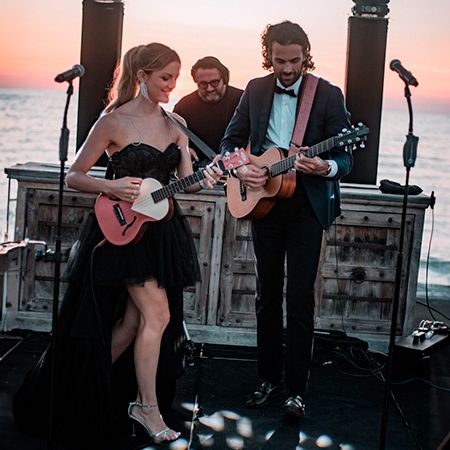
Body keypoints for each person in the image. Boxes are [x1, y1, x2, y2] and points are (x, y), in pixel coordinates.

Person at [13, 42, 221, 449]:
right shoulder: (113, 121)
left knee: (131, 323)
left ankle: (76, 391)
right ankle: (146, 407)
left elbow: (187, 183)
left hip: (160, 233)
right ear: (142, 76)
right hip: (119, 232)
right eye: (165, 78)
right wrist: (111, 185)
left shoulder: (177, 122)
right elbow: (75, 175)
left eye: (175, 79)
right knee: (158, 315)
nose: (172, 86)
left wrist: (204, 170)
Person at [220, 21, 353, 418]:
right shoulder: (255, 90)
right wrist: (242, 169)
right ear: (269, 56)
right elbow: (229, 144)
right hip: (264, 203)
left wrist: (324, 166)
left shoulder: (328, 95)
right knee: (266, 295)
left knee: (299, 298)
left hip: (306, 207)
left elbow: (346, 157)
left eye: (295, 60)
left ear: (305, 56)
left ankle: (296, 390)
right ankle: (267, 378)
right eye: (280, 60)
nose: (288, 68)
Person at [173, 56, 243, 168]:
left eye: (214, 82)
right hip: (200, 173)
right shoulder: (182, 107)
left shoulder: (244, 100)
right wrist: (184, 151)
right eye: (203, 84)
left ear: (224, 79)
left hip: (239, 168)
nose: (209, 88)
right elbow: (172, 143)